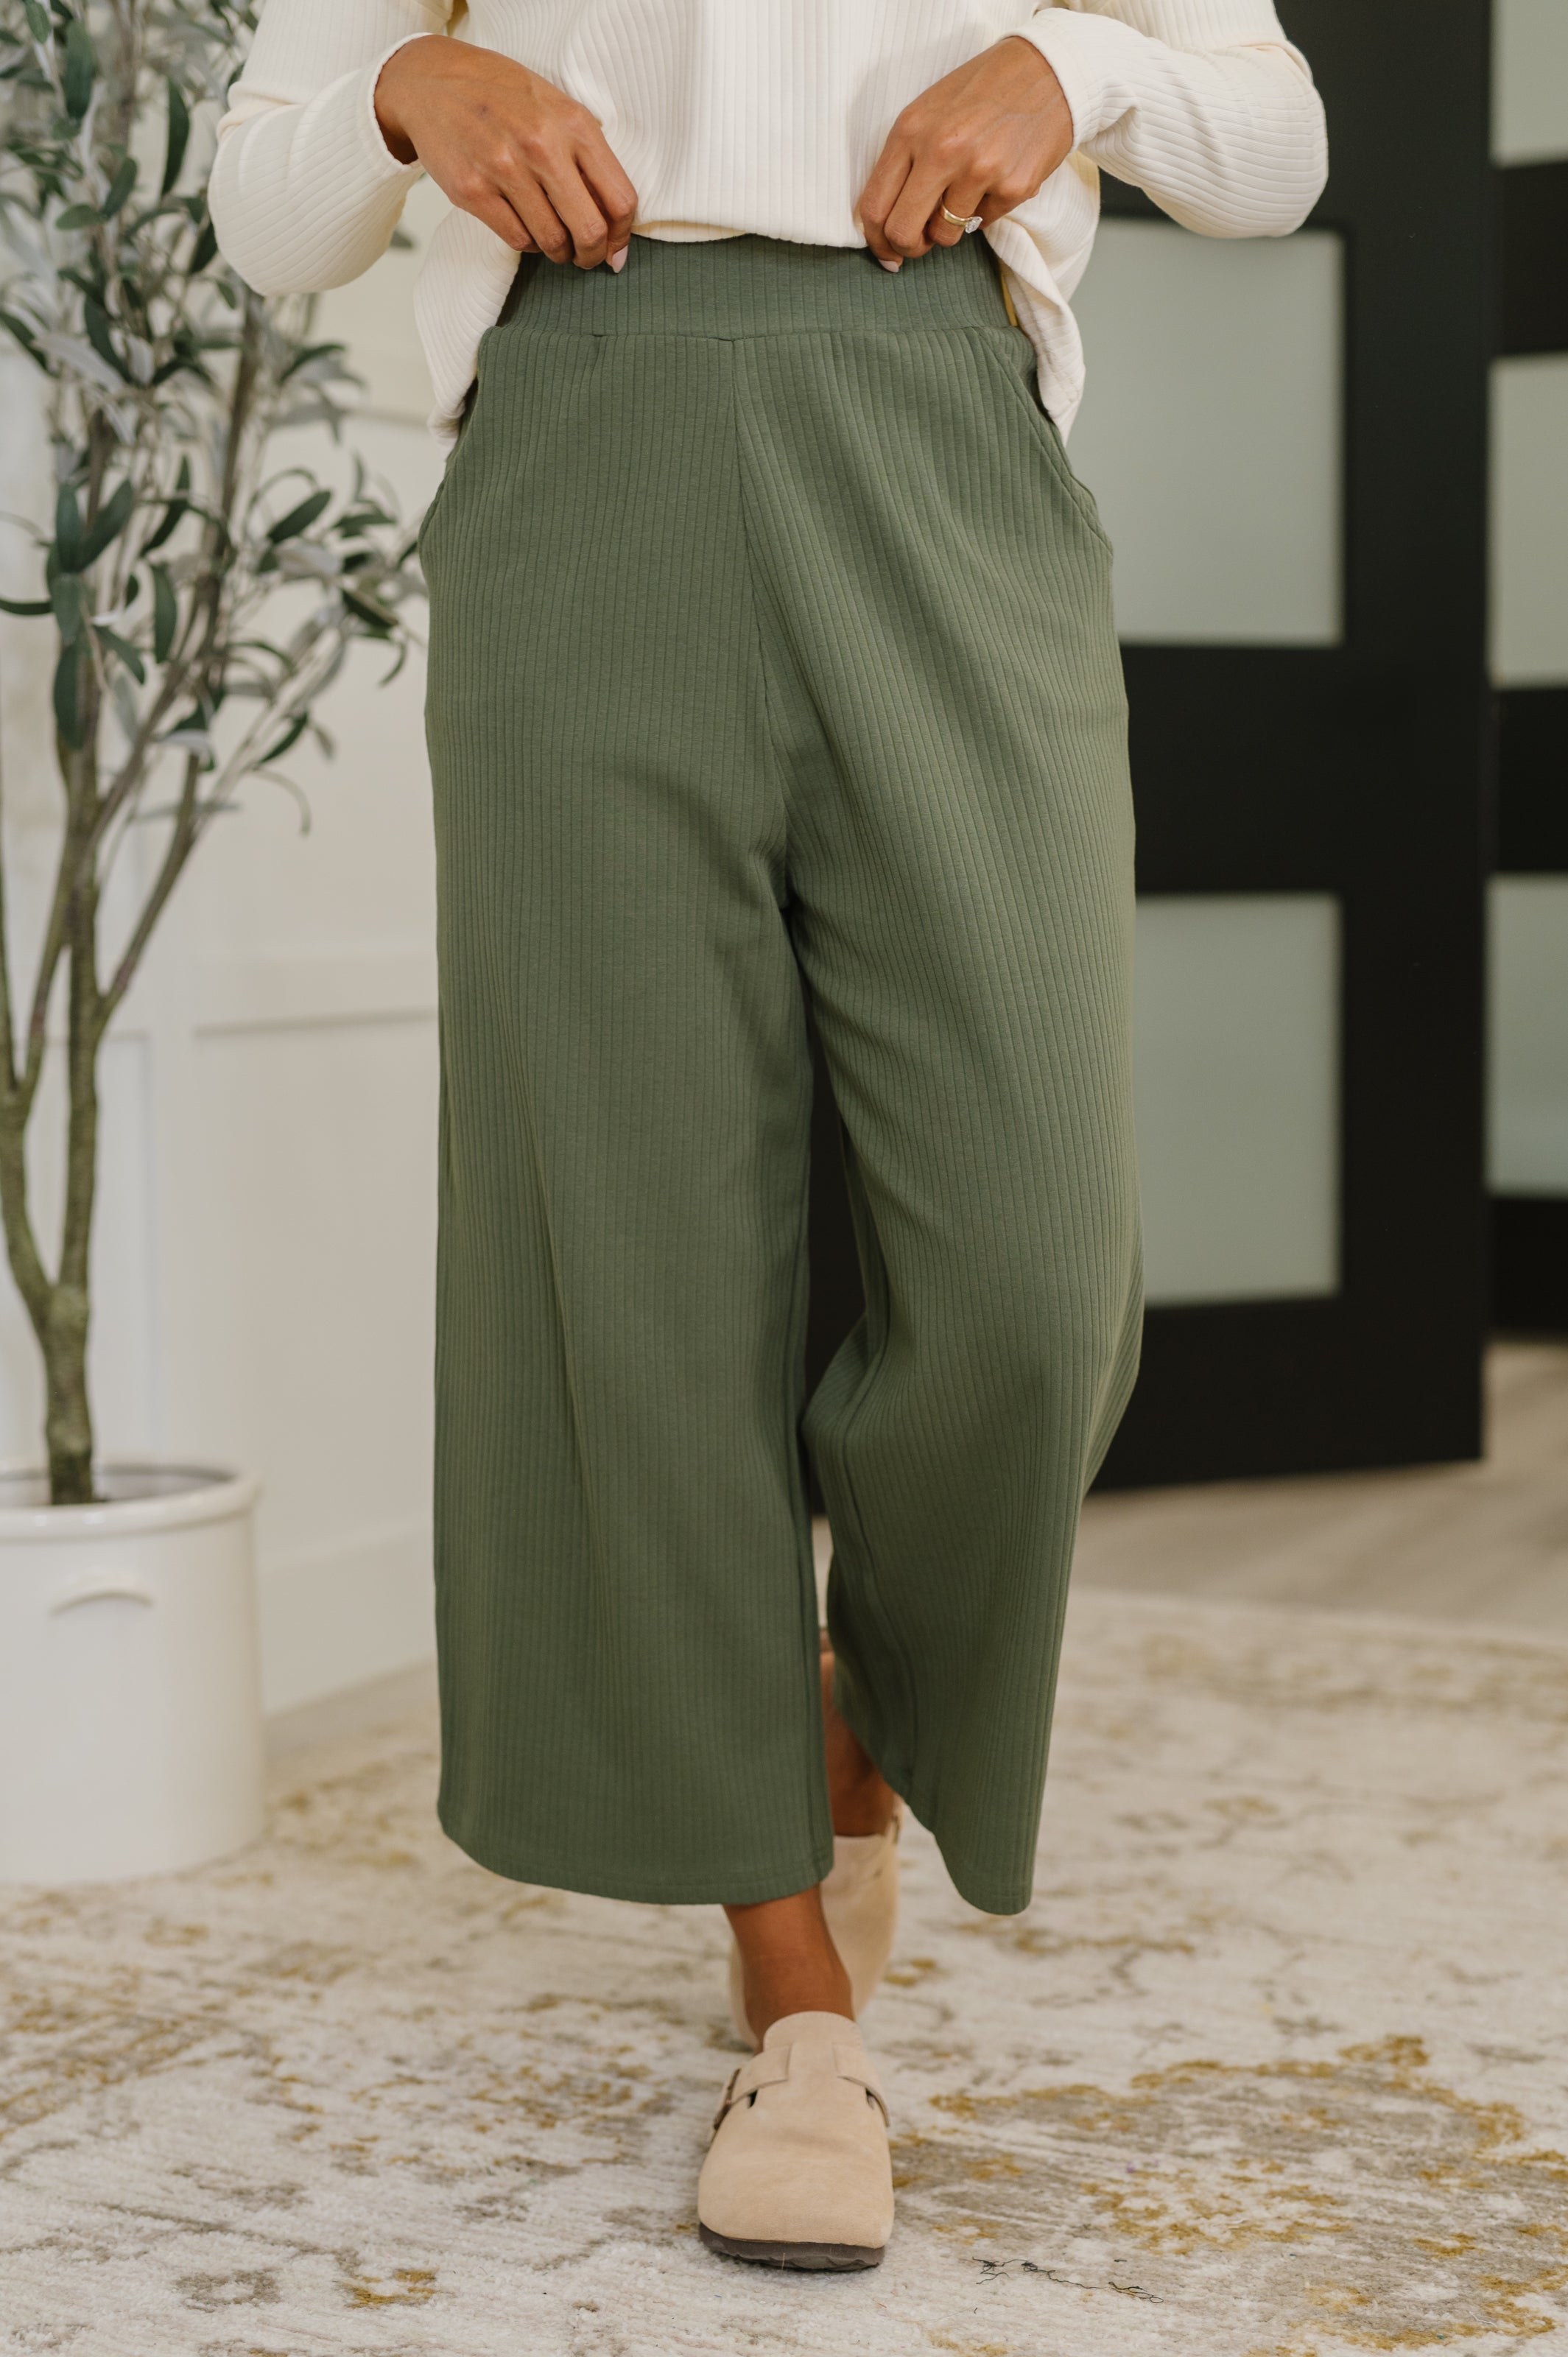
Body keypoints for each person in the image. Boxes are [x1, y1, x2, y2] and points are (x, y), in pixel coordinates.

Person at [211, 0, 1326, 2273]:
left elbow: (1273, 141)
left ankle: (845, 1723)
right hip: (584, 434)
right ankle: (793, 1998)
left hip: (939, 430)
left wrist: (1075, 74)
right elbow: (262, 189)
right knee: (636, 1260)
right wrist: (414, 92)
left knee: (1029, 1271)